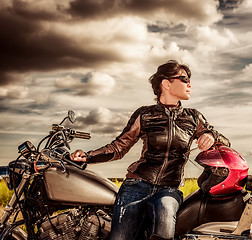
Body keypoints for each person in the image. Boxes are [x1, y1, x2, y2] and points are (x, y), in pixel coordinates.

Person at [70, 60, 230, 240]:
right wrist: (88, 156)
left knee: (164, 218)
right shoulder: (144, 114)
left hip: (169, 189)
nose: (189, 84)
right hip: (136, 186)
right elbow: (119, 147)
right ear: (166, 83)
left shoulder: (193, 117)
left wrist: (211, 135)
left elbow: (225, 143)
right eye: (184, 79)